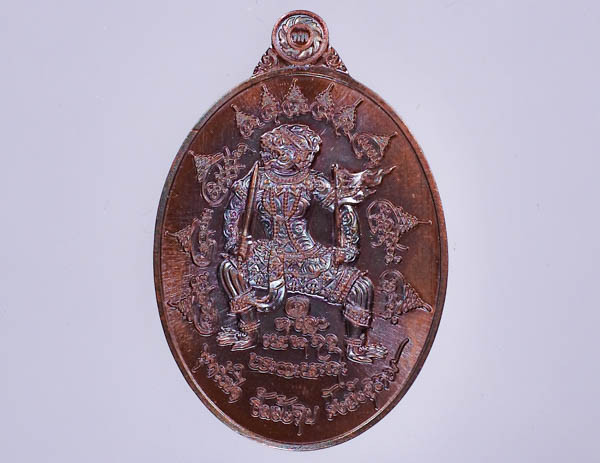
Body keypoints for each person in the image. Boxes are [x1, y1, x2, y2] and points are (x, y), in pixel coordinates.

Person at [217, 123, 388, 363]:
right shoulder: (257, 180)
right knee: (229, 268)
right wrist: (236, 243)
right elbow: (234, 213)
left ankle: (355, 348)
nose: (268, 156)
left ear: (296, 155)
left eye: (277, 151)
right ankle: (248, 332)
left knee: (361, 287)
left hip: (309, 260)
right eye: (268, 151)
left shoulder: (311, 182)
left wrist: (347, 248)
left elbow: (342, 211)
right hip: (268, 258)